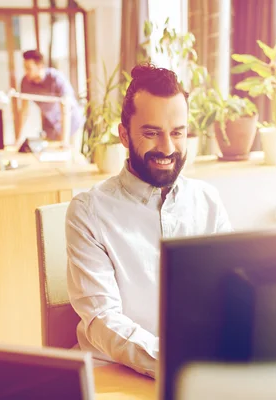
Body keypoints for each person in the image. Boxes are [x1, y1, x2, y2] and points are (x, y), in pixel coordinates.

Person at [65, 64, 232, 378]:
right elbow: (102, 319)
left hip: (198, 374)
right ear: (125, 135)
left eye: (177, 133)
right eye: (152, 133)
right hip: (115, 372)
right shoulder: (87, 211)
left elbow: (229, 293)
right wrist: (176, 364)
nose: (167, 148)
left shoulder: (208, 201)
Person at [17, 50, 83, 144]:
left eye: (29, 68)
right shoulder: (25, 82)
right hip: (51, 126)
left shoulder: (56, 79)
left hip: (70, 123)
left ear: (40, 66)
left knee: (69, 154)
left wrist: (64, 141)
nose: (26, 72)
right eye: (24, 68)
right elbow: (24, 111)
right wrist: (18, 139)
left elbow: (66, 110)